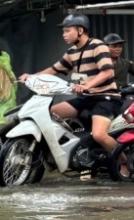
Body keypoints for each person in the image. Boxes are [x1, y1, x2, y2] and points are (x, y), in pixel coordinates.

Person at [18, 13, 119, 154]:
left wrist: (86, 86)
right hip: (85, 98)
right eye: (63, 32)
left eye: (67, 31)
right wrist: (31, 76)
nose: (64, 35)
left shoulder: (98, 46)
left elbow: (107, 72)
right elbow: (54, 69)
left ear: (80, 30)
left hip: (105, 98)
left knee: (99, 135)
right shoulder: (72, 51)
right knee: (48, 113)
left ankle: (124, 163)